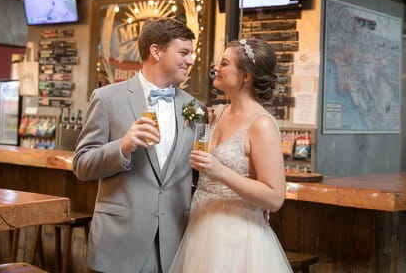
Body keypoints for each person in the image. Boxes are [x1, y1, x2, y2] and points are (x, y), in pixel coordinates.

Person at [73, 18, 204, 273]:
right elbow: (82, 165)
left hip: (174, 244)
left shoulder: (195, 108)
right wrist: (122, 146)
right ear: (156, 51)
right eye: (184, 53)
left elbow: (199, 172)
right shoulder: (107, 98)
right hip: (120, 242)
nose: (190, 61)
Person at [169, 38, 292, 273]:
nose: (216, 68)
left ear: (246, 76)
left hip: (237, 236)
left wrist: (220, 171)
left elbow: (275, 198)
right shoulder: (216, 114)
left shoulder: (262, 124)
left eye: (224, 63)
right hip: (200, 227)